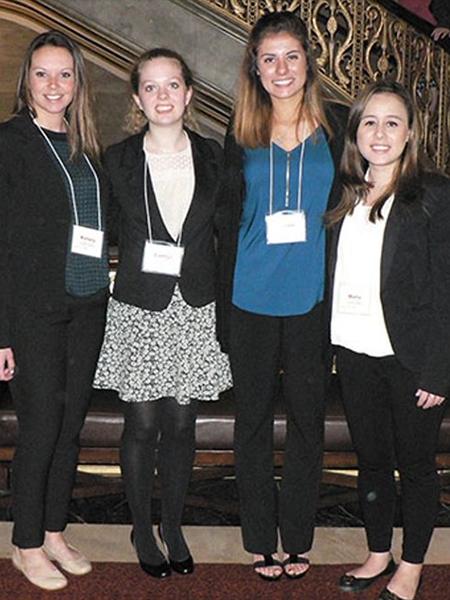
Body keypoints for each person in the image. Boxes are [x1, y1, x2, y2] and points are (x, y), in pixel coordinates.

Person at [216, 10, 347, 581]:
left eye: (291, 55)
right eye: (269, 58)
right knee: (250, 424)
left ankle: (296, 538)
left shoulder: (338, 126)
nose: (281, 68)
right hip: (249, 296)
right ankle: (257, 539)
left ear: (308, 62)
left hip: (312, 300)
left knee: (306, 424)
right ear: (255, 67)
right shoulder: (239, 129)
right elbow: (225, 218)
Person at [94, 48, 231, 579]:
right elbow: (99, 230)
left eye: (172, 85)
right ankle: (140, 526)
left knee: (181, 423)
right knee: (143, 422)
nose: (162, 96)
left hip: (195, 305)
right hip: (140, 306)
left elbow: (229, 228)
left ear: (189, 92)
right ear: (136, 98)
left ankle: (172, 525)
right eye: (150, 87)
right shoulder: (117, 158)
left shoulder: (215, 156)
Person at [328, 80, 450, 600]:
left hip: (411, 358)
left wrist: (440, 369)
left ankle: (413, 564)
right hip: (353, 351)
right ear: (355, 132)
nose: (380, 133)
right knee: (373, 460)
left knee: (417, 466)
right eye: (369, 122)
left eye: (392, 122)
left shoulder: (435, 195)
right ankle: (379, 551)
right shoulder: (343, 193)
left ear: (410, 134)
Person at [0, 31, 109, 590]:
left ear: (77, 82)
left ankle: (54, 531)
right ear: (27, 80)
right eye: (42, 73)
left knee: (69, 429)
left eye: (63, 74)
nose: (53, 85)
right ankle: (24, 543)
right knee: (40, 427)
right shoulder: (10, 141)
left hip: (87, 305)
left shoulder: (84, 145)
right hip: (34, 311)